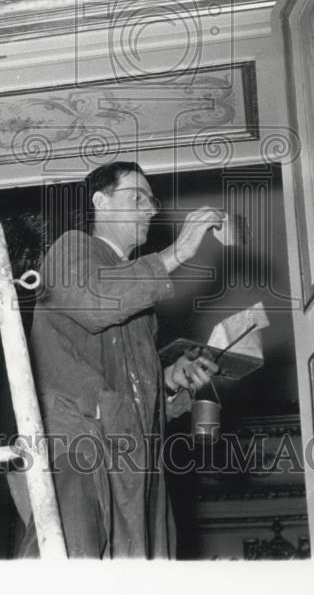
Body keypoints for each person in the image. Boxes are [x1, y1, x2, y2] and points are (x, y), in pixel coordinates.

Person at [19, 160, 222, 558]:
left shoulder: (138, 299)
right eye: (137, 197)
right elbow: (96, 302)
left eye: (152, 200)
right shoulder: (71, 249)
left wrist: (170, 381)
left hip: (134, 463)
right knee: (68, 574)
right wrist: (178, 251)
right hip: (82, 448)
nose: (150, 209)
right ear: (101, 202)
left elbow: (127, 385)